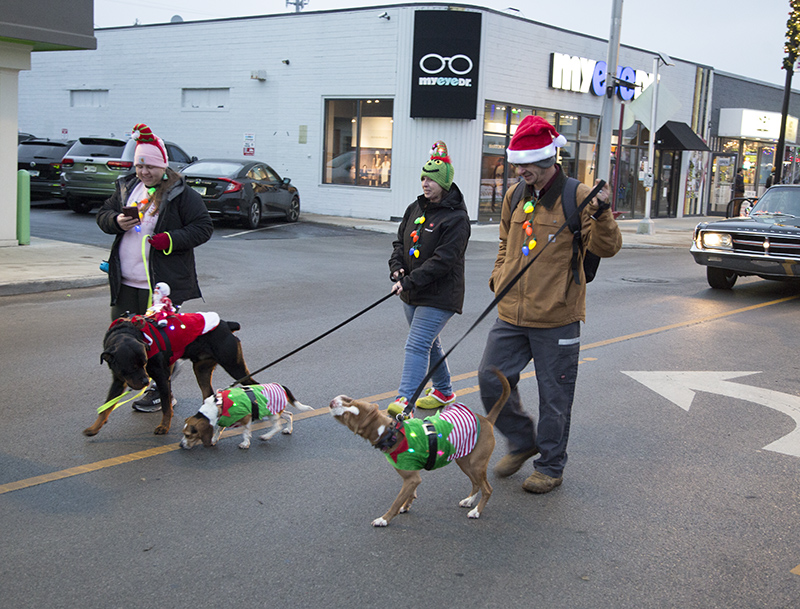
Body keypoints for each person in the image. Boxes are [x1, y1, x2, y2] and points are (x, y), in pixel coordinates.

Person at [477, 115, 622, 494]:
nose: (519, 170)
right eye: (517, 164)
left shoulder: (578, 195)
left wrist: (602, 212)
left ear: (546, 159)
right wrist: (499, 279)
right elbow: (505, 243)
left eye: (526, 164)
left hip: (557, 316)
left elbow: (607, 247)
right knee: (490, 379)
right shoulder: (515, 195)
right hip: (511, 313)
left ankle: (550, 466)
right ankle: (523, 440)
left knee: (555, 398)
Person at [96, 123, 213, 412]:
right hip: (125, 281)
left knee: (158, 345)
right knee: (124, 341)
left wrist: (170, 239)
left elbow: (203, 228)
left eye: (150, 166)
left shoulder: (181, 194)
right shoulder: (127, 187)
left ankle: (161, 392)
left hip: (161, 285)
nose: (144, 172)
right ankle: (124, 385)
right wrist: (115, 221)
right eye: (139, 166)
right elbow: (103, 214)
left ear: (163, 166)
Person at [387, 141, 471, 417]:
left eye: (431, 179)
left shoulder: (457, 218)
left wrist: (409, 281)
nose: (425, 183)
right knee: (429, 342)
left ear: (444, 183)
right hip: (412, 292)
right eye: (423, 178)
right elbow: (400, 242)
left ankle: (405, 401)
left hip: (440, 295)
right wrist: (397, 268)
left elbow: (443, 261)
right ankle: (444, 391)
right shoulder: (415, 207)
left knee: (417, 344)